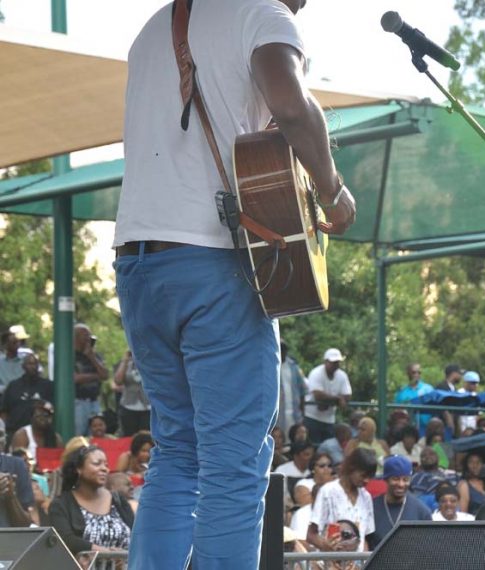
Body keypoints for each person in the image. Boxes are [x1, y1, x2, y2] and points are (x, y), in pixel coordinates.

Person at [113, 0, 355, 567]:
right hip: (212, 265)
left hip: (139, 264)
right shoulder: (262, 12)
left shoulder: (154, 28)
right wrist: (331, 189)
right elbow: (292, 107)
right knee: (234, 464)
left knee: (177, 451)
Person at [48, 445, 134, 556]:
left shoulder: (119, 500)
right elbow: (65, 539)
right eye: (97, 464)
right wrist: (105, 553)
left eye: (106, 465)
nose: (104, 468)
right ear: (78, 469)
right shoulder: (61, 504)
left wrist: (123, 555)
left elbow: (137, 534)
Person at [307, 448, 376, 553]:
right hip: (331, 563)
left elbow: (365, 536)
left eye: (370, 477)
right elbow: (311, 535)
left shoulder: (366, 497)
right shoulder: (328, 491)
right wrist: (330, 548)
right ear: (351, 468)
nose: (367, 480)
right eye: (363, 475)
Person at [368, 455, 432, 549]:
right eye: (395, 479)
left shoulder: (422, 511)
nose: (401, 484)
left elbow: (428, 547)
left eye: (405, 479)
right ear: (386, 479)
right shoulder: (372, 508)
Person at [304, 348, 352, 445]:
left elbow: (347, 395)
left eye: (337, 362)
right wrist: (337, 399)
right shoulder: (316, 373)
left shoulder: (342, 375)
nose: (335, 365)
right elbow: (318, 395)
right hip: (312, 417)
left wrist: (329, 400)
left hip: (329, 419)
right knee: (313, 446)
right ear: (326, 361)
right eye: (333, 362)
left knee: (327, 446)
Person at [2, 352, 54, 438]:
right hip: (14, 432)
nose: (33, 366)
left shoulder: (47, 385)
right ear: (23, 366)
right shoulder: (13, 386)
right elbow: (4, 410)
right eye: (30, 363)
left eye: (35, 363)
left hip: (39, 435)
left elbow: (52, 409)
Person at [73, 324, 109, 436]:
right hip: (79, 401)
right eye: (85, 335)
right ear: (76, 337)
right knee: (79, 433)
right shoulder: (70, 355)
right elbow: (75, 378)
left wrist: (91, 356)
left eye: (89, 335)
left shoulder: (95, 355)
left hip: (94, 401)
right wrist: (96, 376)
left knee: (95, 435)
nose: (89, 338)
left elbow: (105, 375)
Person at [0, 419, 34, 527]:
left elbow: (25, 525)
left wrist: (11, 497)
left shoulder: (17, 466)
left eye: (0, 434)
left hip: (9, 540)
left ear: (5, 440)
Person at [114, 349, 151, 437]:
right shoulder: (127, 364)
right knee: (128, 437)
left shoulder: (150, 363)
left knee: (146, 438)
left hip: (147, 407)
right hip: (128, 406)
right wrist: (125, 360)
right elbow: (118, 381)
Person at [409, 446, 458, 511]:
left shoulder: (451, 473)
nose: (427, 457)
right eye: (424, 456)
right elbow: (419, 500)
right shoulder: (419, 476)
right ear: (420, 461)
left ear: (437, 457)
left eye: (431, 454)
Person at [278, 341, 307, 443]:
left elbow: (303, 390)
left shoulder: (294, 367)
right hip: (278, 414)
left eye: (284, 350)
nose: (282, 352)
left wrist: (302, 413)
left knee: (295, 441)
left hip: (294, 413)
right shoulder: (271, 365)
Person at [395, 363, 434, 433]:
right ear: (408, 373)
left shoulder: (428, 389)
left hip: (426, 428)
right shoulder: (402, 391)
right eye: (414, 372)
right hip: (407, 429)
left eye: (419, 372)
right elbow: (397, 411)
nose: (417, 375)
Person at [457, 450, 485, 516]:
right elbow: (463, 514)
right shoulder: (464, 485)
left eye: (478, 462)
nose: (475, 465)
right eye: (471, 462)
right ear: (466, 465)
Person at [0, 331, 24, 404]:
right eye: (14, 343)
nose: (18, 345)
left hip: (21, 397)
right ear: (6, 345)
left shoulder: (24, 362)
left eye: (18, 342)